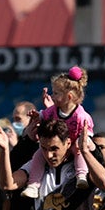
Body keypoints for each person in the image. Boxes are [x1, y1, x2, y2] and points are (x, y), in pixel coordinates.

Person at [21, 66, 95, 199]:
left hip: (73, 143)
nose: (52, 96)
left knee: (79, 151)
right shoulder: (53, 110)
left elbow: (88, 133)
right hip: (57, 146)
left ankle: (81, 176)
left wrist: (83, 141)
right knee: (38, 155)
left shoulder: (81, 116)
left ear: (69, 96)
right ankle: (33, 185)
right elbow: (44, 115)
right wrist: (37, 116)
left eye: (56, 93)